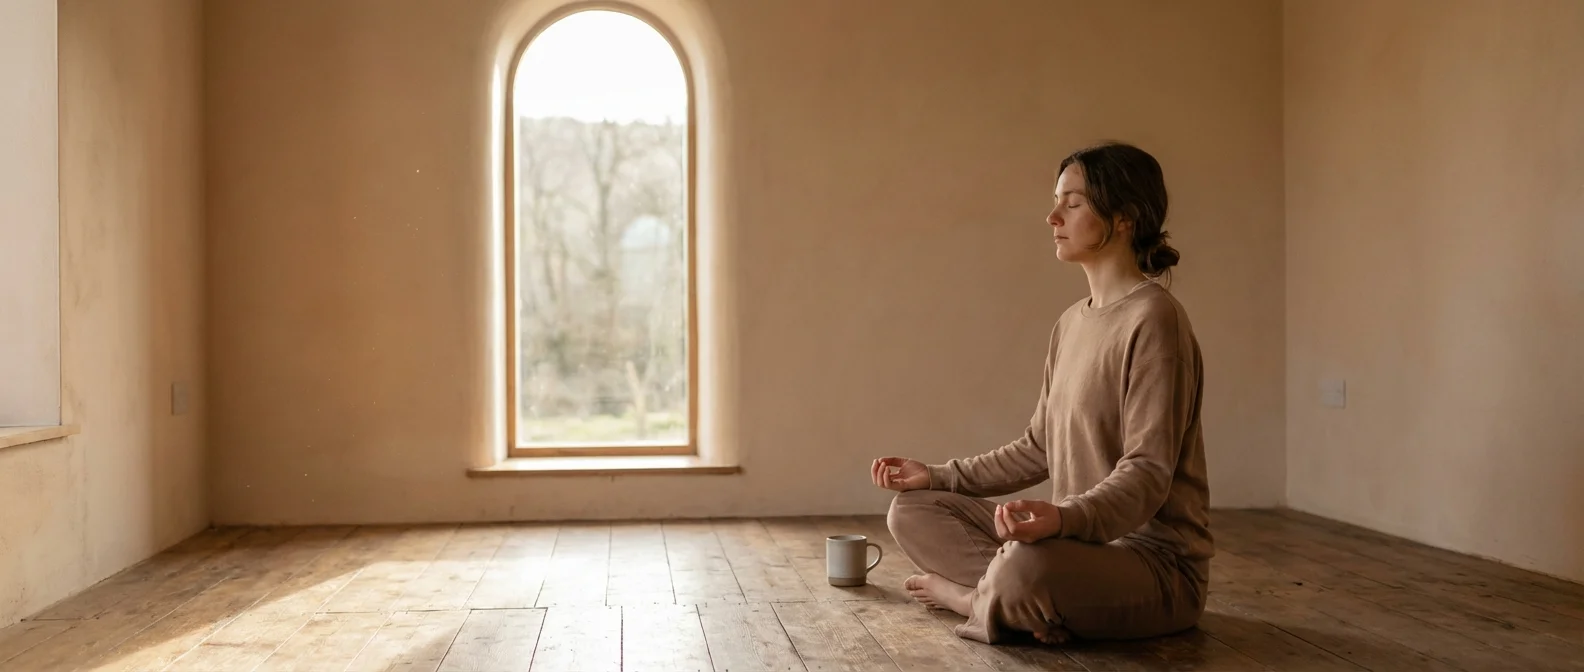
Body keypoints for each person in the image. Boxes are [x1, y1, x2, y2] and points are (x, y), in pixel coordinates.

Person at [871, 141, 1212, 646]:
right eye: (1057, 201)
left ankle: (976, 599)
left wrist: (1063, 518)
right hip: (1072, 548)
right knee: (913, 510)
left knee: (1028, 566)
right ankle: (1023, 604)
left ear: (1124, 217)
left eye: (1072, 203)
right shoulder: (1070, 323)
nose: (1053, 216)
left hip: (1154, 568)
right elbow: (1038, 446)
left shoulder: (1155, 320)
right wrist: (937, 475)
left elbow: (1148, 473)